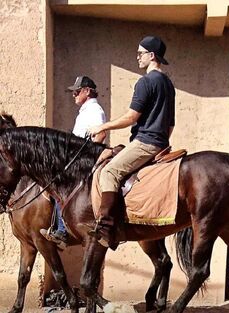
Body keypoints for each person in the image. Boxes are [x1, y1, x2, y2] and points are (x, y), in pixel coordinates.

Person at [88, 36, 175, 250]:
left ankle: (107, 229)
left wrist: (102, 127)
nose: (137, 56)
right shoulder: (168, 84)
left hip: (145, 142)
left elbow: (131, 117)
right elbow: (170, 124)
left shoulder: (146, 82)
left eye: (141, 53)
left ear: (152, 55)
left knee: (109, 172)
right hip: (161, 144)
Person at [40, 76, 106, 244]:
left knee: (60, 183)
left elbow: (100, 135)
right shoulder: (85, 111)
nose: (74, 94)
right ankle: (58, 228)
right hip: (78, 159)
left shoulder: (94, 110)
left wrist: (83, 156)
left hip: (85, 160)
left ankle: (63, 231)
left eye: (77, 91)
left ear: (87, 91)